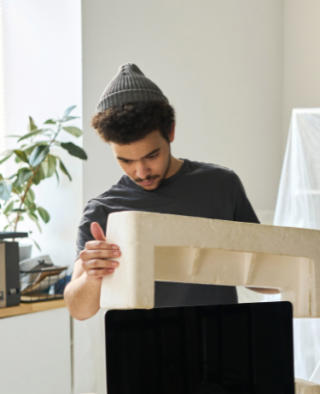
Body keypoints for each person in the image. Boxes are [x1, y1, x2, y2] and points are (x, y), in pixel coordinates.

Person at [65, 63, 261, 320]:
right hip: (143, 341)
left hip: (220, 336)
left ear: (170, 132)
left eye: (152, 156)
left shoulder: (222, 185)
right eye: (125, 160)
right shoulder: (103, 210)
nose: (141, 172)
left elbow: (261, 276)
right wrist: (92, 276)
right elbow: (78, 311)